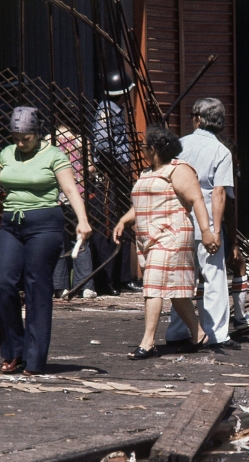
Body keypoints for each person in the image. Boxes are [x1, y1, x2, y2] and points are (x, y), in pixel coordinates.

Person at [0, 106, 92, 376]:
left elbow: (70, 188)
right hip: (12, 224)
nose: (20, 143)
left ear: (37, 133)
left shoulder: (54, 155)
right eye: (16, 138)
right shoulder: (6, 154)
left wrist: (82, 219)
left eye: (26, 138)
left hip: (45, 226)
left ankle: (34, 359)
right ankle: (14, 350)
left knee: (37, 287)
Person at [114, 126, 218, 357]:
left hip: (172, 236)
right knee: (177, 291)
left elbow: (197, 201)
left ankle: (147, 342)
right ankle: (198, 334)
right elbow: (141, 206)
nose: (141, 150)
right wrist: (123, 220)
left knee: (152, 286)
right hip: (150, 239)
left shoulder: (178, 170)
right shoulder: (147, 172)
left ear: (154, 149)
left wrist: (207, 232)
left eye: (143, 147)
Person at [165, 98, 239, 350]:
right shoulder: (221, 152)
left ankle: (177, 331)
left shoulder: (179, 146)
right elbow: (219, 194)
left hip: (178, 222)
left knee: (182, 280)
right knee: (213, 278)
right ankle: (216, 334)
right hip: (205, 222)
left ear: (196, 119)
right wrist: (216, 231)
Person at [89, 69, 140, 296]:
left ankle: (123, 277)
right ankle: (107, 279)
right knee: (107, 226)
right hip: (109, 177)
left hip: (119, 176)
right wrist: (116, 165)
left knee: (125, 224)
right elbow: (102, 145)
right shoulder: (106, 113)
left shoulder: (116, 111)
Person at [216, 134, 249, 329]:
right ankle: (240, 317)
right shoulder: (223, 173)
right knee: (239, 265)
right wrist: (233, 242)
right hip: (215, 229)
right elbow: (228, 209)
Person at [52, 104, 96, 299]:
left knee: (58, 242)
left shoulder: (48, 141)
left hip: (55, 198)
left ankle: (59, 286)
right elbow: (90, 168)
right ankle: (85, 285)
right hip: (77, 197)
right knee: (81, 240)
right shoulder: (81, 141)